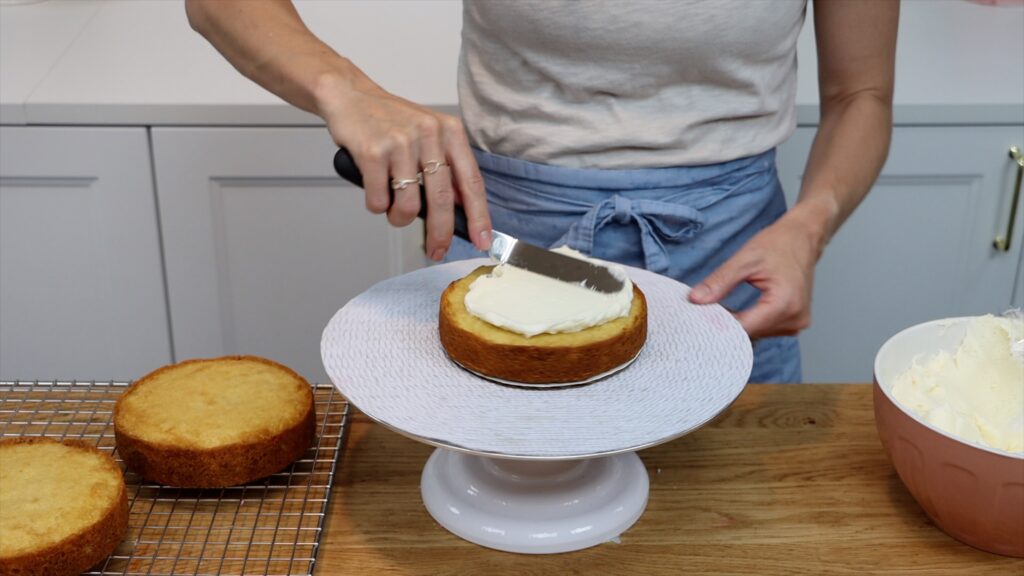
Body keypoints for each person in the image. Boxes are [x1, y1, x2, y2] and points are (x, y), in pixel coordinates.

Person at [186, 0, 898, 383]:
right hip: (509, 253)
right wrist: (347, 89)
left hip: (730, 269)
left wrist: (812, 224)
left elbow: (861, 92)